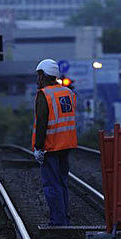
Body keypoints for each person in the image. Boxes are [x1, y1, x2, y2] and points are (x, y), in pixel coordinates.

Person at [32, 58, 78, 226]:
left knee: (51, 185)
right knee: (63, 183)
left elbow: (42, 124)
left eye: (38, 76)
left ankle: (58, 222)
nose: (37, 80)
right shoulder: (68, 93)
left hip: (51, 147)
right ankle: (64, 219)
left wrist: (38, 148)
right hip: (66, 145)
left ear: (44, 76)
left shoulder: (44, 95)